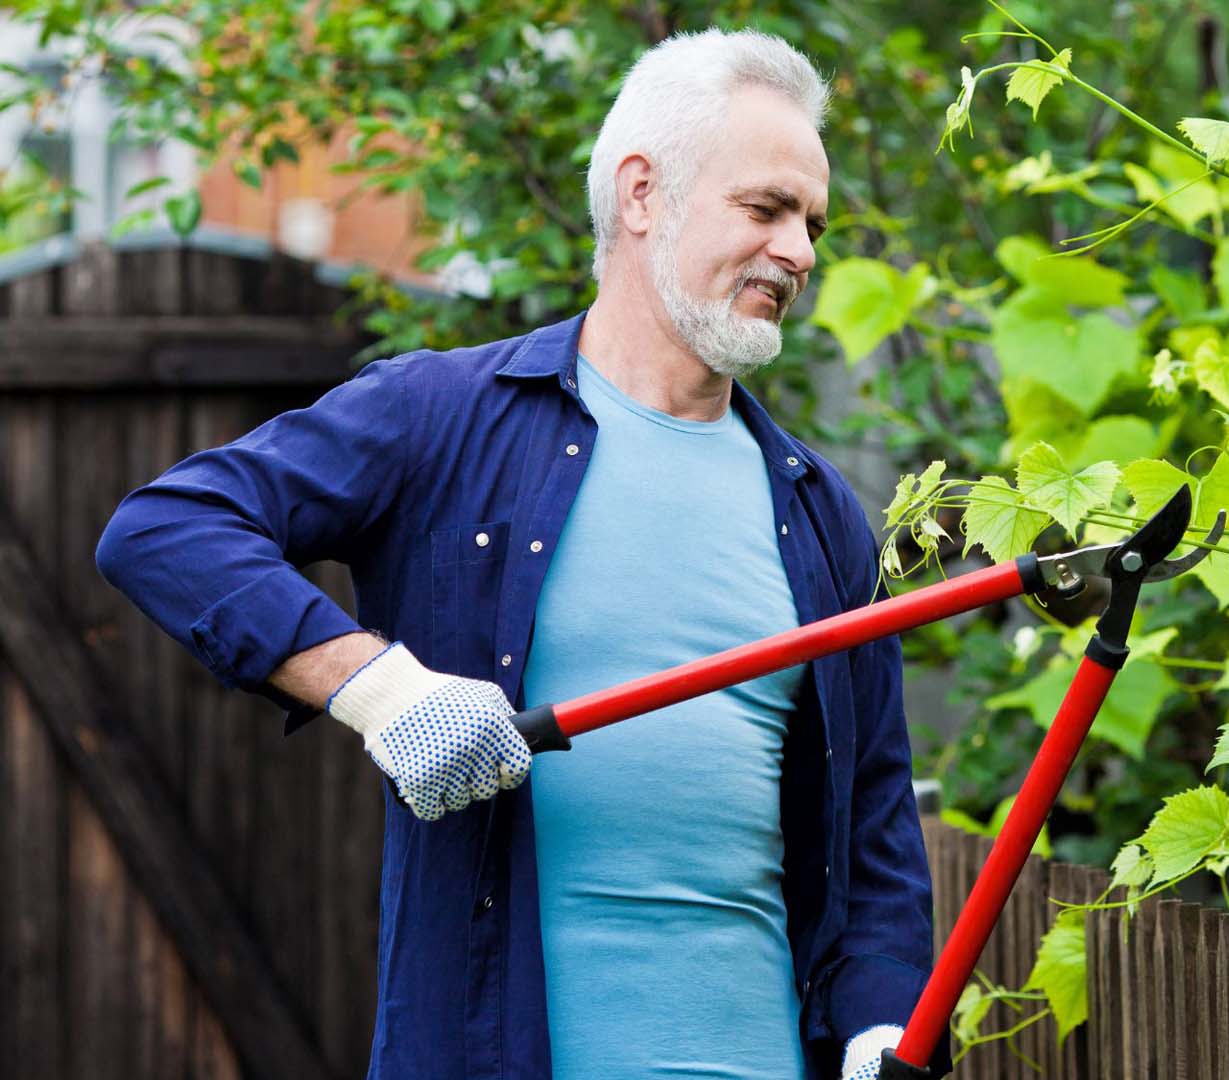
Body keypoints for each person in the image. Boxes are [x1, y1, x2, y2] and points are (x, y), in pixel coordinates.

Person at [95, 28, 945, 1080]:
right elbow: (167, 530)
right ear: (643, 195)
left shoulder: (821, 515)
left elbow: (872, 833)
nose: (802, 252)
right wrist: (379, 689)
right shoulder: (443, 420)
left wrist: (879, 1026)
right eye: (766, 209)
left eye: (811, 222)